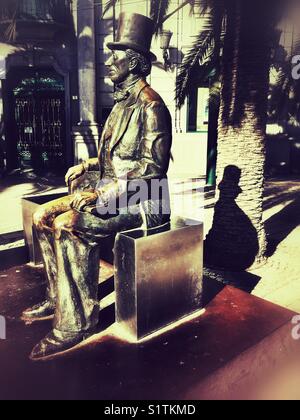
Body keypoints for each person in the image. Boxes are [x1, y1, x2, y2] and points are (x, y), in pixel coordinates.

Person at [23, 13, 173, 360]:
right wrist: (88, 165)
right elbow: (116, 155)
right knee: (43, 216)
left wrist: (101, 193)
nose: (108, 61)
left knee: (69, 226)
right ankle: (58, 297)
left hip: (142, 199)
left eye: (115, 56)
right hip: (111, 190)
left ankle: (78, 322)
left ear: (133, 63)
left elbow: (152, 168)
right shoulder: (122, 103)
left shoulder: (151, 106)